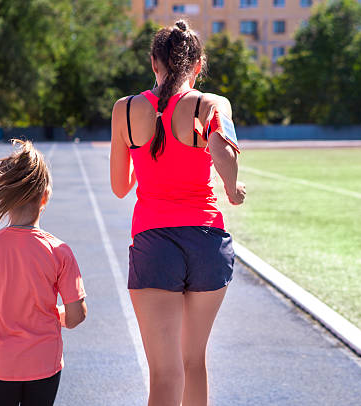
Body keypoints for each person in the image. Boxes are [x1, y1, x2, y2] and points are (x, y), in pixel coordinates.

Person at [110, 20, 246, 406]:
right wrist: (233, 190)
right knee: (193, 361)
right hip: (206, 241)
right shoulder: (211, 104)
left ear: (154, 63)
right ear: (198, 65)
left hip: (155, 243)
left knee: (165, 374)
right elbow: (224, 152)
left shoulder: (126, 109)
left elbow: (121, 188)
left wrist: (145, 154)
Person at [0, 139, 87, 406]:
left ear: (5, 198)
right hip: (43, 363)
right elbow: (76, 315)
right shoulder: (59, 251)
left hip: (0, 365)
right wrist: (57, 315)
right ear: (45, 197)